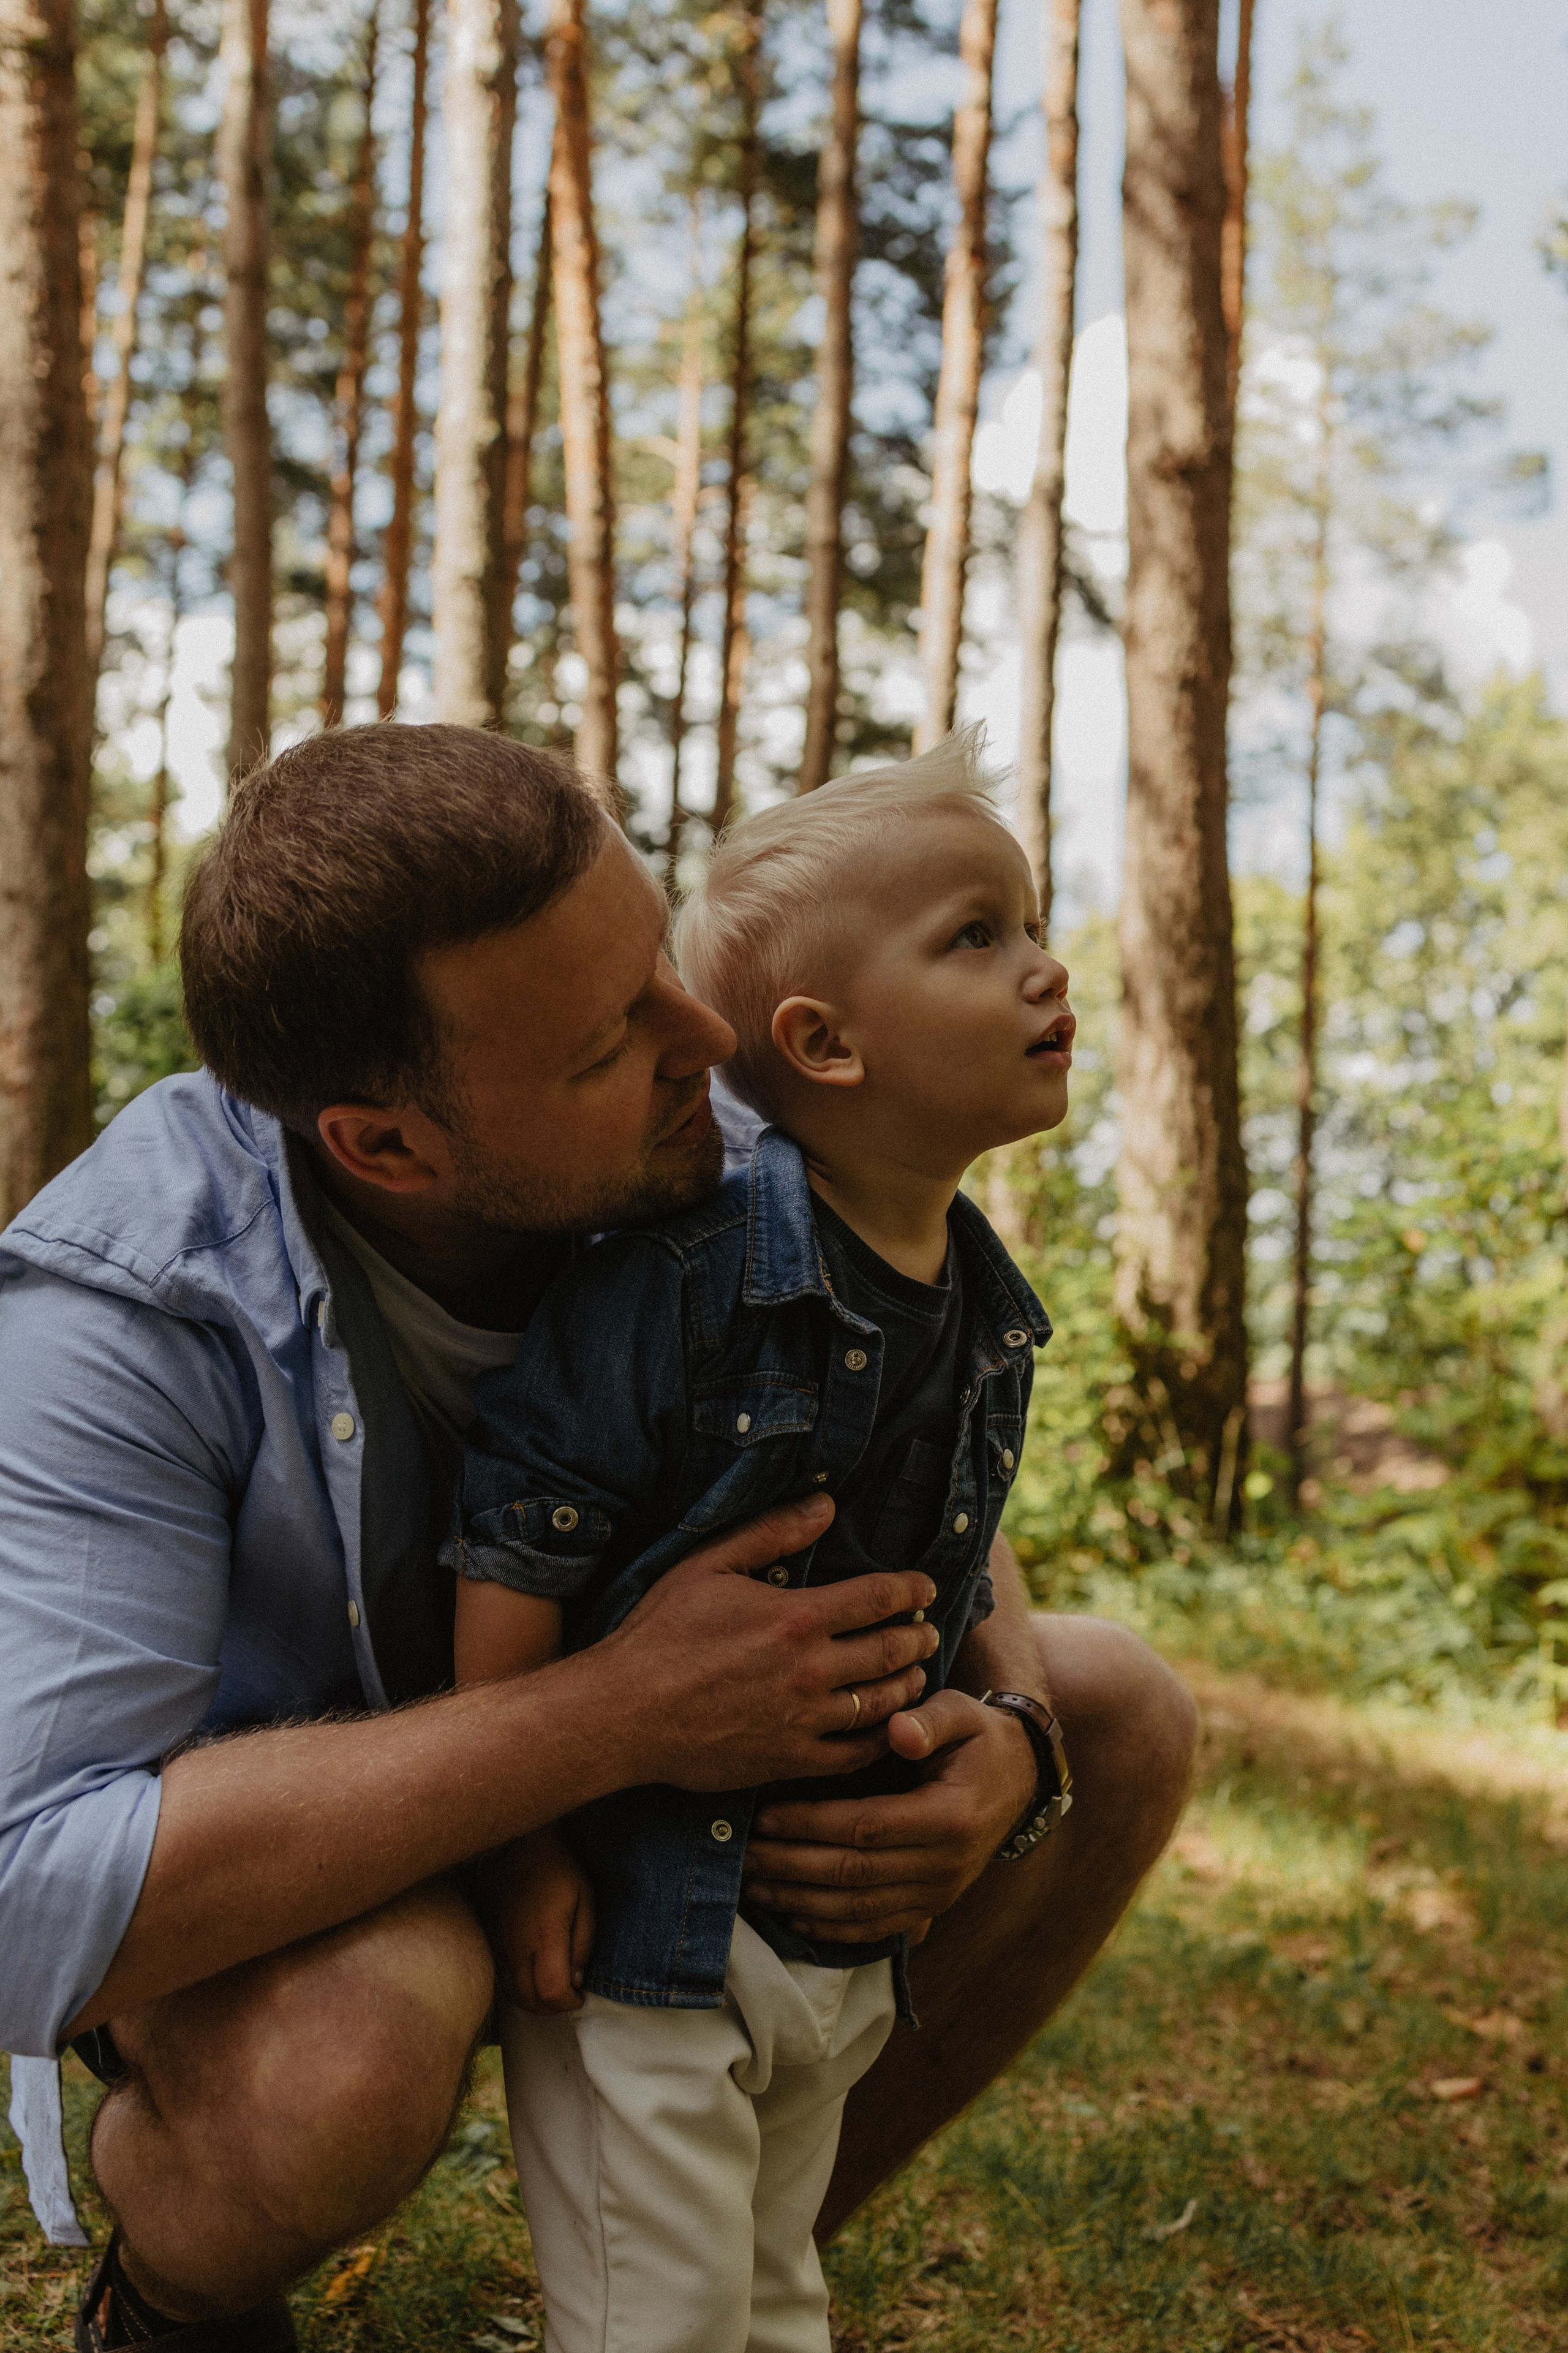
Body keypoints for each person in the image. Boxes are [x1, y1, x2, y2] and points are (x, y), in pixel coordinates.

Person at [0, 725, 1197, 2352]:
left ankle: (696, 2262)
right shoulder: (122, 1307)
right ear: (390, 1146)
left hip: (671, 1850)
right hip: (314, 1904)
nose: (705, 1038)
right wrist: (613, 1715)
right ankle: (176, 2296)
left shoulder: (720, 1131)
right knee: (357, 2034)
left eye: (659, 965)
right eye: (607, 1037)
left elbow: (908, 1445)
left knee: (1119, 1709)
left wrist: (1011, 1727)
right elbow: (28, 1887)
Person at [450, 737, 1076, 2353]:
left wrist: (993, 1727)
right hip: (646, 1923)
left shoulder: (978, 1301)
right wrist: (520, 1846)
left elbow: (964, 1536)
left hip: (828, 1926)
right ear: (821, 1040)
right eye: (978, 934)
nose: (1045, 965)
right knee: (655, 2320)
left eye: (1030, 921)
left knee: (773, 2289)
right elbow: (522, 1527)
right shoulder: (687, 1272)